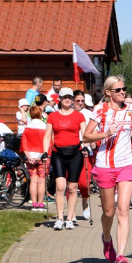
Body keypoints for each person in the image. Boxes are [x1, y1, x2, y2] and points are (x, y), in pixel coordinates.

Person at [83, 75, 132, 263]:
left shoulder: (131, 109)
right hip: (105, 165)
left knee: (122, 210)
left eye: (124, 89)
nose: (123, 92)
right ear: (108, 92)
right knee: (108, 212)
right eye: (118, 90)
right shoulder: (100, 110)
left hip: (126, 164)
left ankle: (121, 256)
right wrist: (106, 133)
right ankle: (106, 238)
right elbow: (86, 136)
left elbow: (131, 129)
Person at [44, 88, 87, 229]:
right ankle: (59, 218)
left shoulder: (79, 116)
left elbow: (85, 134)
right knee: (60, 187)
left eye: (69, 97)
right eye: (64, 97)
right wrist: (45, 152)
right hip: (58, 153)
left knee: (72, 187)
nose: (67, 100)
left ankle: (70, 218)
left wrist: (86, 146)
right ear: (60, 100)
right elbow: (47, 135)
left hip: (75, 153)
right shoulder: (53, 116)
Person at [21, 105, 48, 211]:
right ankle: (40, 204)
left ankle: (34, 204)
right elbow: (48, 142)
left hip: (30, 156)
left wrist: (28, 156)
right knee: (41, 180)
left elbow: (24, 143)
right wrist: (40, 156)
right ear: (40, 114)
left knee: (33, 180)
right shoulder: (44, 126)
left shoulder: (27, 127)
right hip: (42, 156)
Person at [73, 90, 94, 222]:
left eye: (82, 101)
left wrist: (93, 143)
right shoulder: (68, 114)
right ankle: (72, 212)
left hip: (86, 151)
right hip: (71, 151)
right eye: (78, 101)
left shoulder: (89, 114)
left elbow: (95, 131)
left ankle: (85, 200)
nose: (80, 103)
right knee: (72, 184)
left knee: (85, 183)